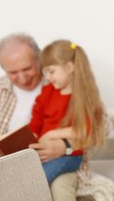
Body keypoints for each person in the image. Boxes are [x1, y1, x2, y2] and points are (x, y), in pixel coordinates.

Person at [0, 33, 83, 201]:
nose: (21, 77)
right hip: (7, 166)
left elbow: (99, 126)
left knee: (51, 187)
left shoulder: (60, 80)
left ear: (39, 60)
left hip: (60, 161)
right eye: (13, 72)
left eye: (27, 68)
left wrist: (65, 146)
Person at [30, 39, 106, 184]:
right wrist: (29, 138)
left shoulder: (83, 97)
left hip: (69, 156)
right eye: (45, 72)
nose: (47, 77)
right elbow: (36, 121)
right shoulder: (47, 92)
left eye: (51, 71)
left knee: (37, 182)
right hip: (45, 154)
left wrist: (50, 134)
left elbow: (83, 130)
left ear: (70, 67)